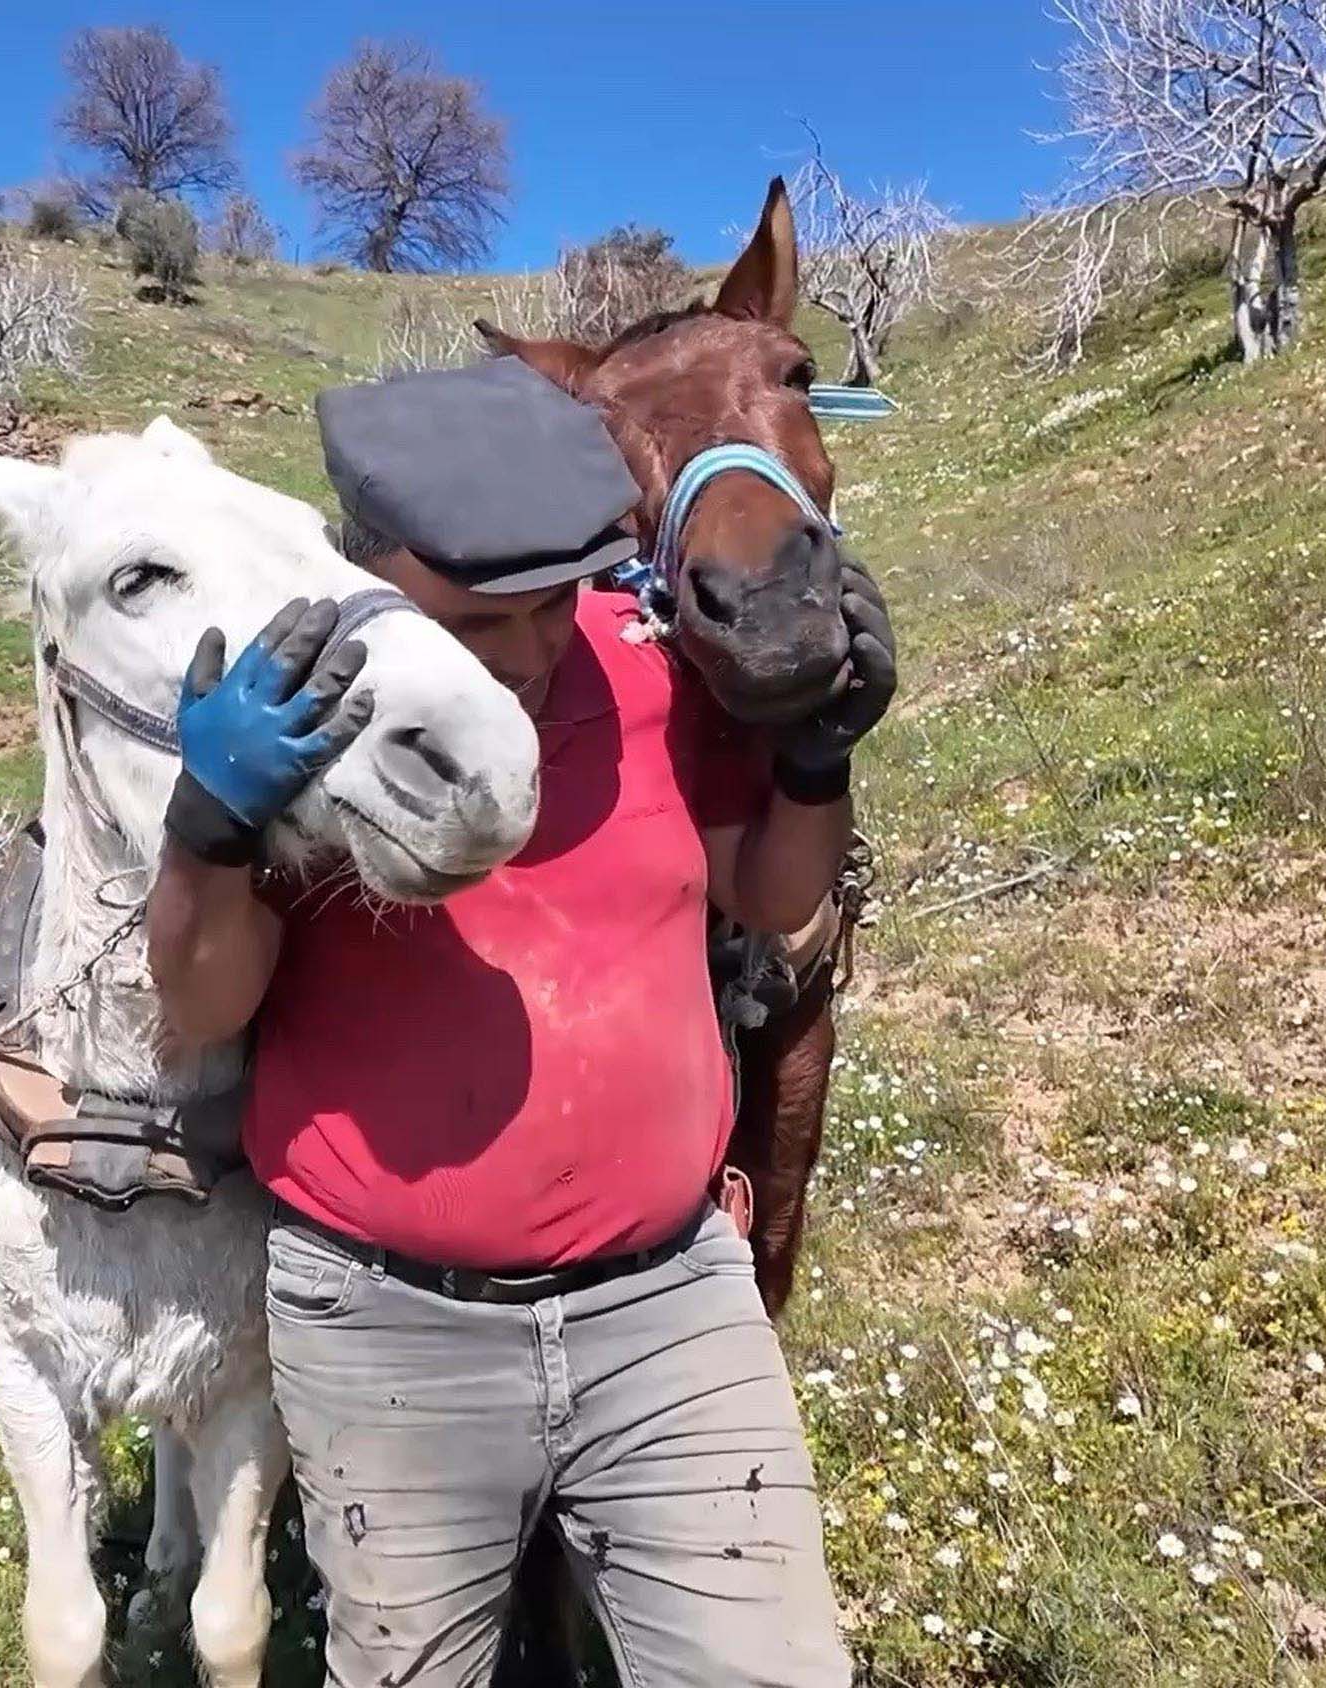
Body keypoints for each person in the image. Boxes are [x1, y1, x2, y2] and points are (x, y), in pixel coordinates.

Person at [144, 357, 894, 1687]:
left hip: (667, 1303)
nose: (539, 654)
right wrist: (208, 832)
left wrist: (815, 761)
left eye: (558, 604)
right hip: (391, 1338)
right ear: (366, 573)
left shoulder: (648, 673)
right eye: (486, 626)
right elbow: (203, 1008)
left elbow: (771, 893)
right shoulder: (304, 717)